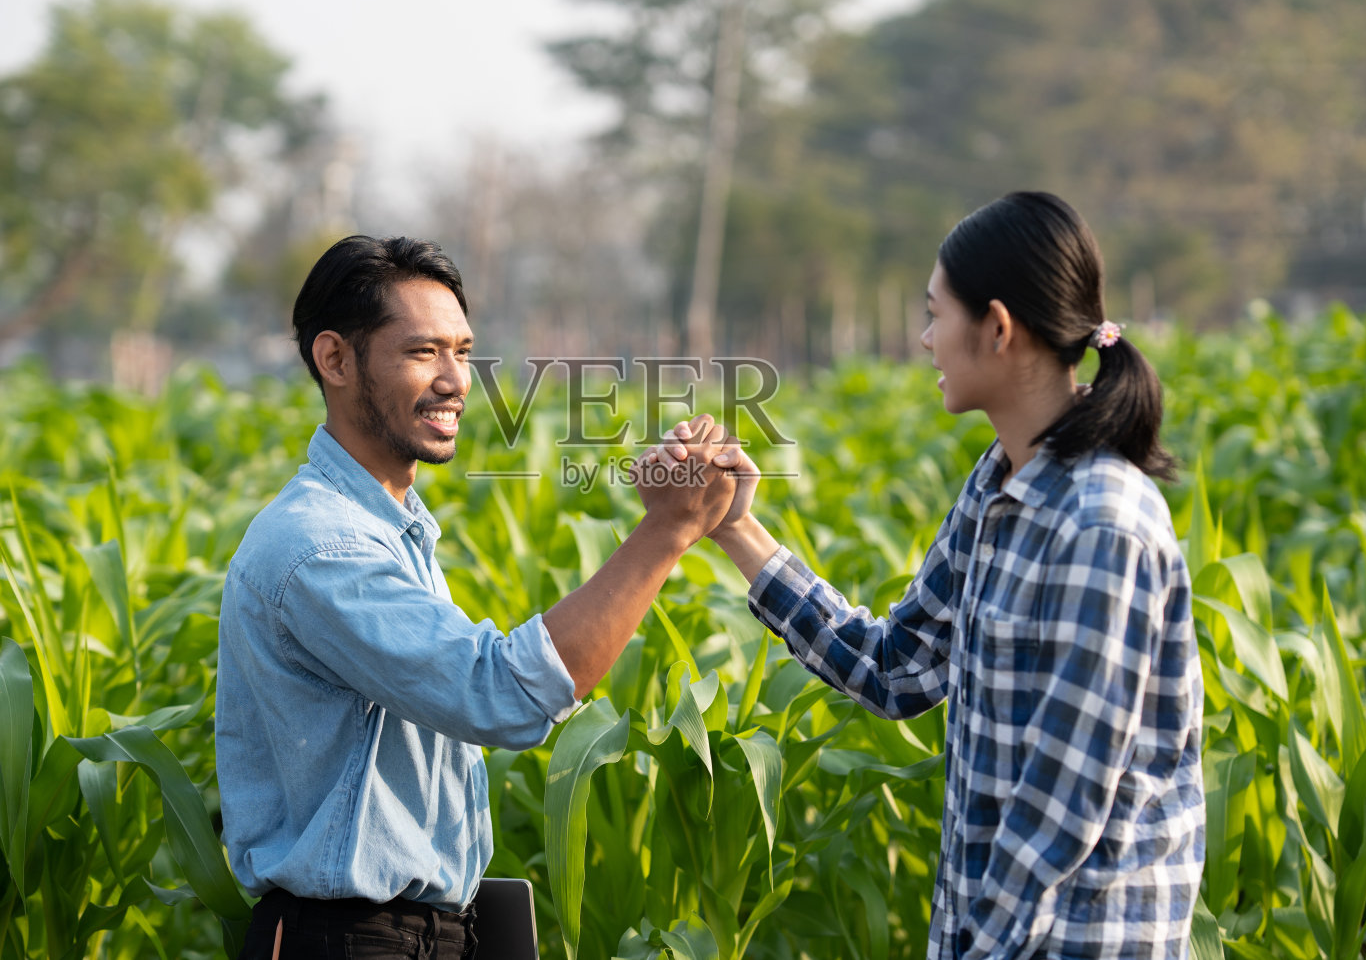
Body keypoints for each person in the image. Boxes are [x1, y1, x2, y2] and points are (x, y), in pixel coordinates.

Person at [662, 191, 1205, 958]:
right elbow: (898, 668)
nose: (923, 339)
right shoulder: (996, 486)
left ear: (997, 328)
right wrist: (734, 527)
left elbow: (1061, 808)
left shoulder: (1100, 524)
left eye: (934, 313)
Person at [216, 234, 739, 959]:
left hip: (426, 934)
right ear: (334, 359)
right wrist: (666, 532)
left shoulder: (389, 530)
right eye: (423, 352)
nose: (456, 379)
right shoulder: (321, 547)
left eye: (463, 351)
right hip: (348, 942)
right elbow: (498, 693)